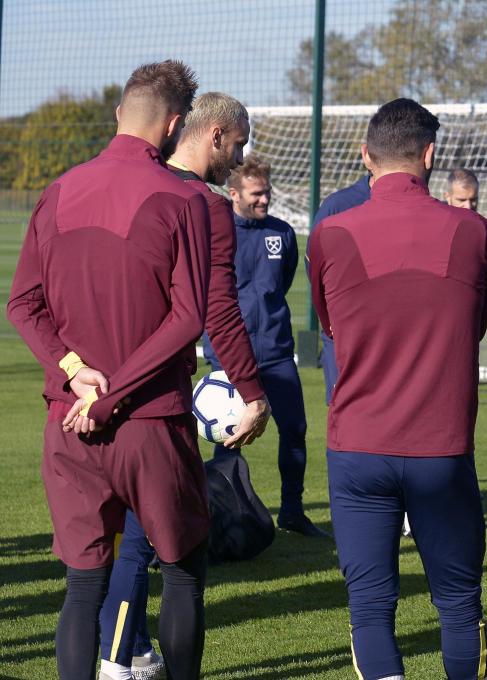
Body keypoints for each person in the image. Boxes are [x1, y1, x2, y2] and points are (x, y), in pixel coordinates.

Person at [7, 60, 212, 680]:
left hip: (69, 423)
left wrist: (75, 373)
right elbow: (187, 318)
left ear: (121, 112)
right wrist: (111, 392)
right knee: (180, 568)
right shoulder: (185, 199)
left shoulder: (58, 191)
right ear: (176, 125)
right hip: (149, 422)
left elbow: (22, 304)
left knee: (83, 585)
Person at [308, 97, 487, 680]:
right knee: (459, 604)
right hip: (439, 447)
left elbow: (331, 328)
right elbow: (475, 321)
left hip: (358, 445)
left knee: (370, 608)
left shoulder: (330, 233)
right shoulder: (473, 232)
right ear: (431, 155)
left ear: (366, 156)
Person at [96, 90, 271, 680]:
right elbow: (218, 311)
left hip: (96, 391)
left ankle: (125, 655)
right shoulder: (203, 203)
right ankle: (120, 661)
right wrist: (251, 389)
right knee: (157, 545)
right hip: (156, 400)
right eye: (239, 143)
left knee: (116, 544)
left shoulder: (124, 185)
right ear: (215, 133)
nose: (239, 157)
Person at [205, 156, 327, 537]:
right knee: (230, 436)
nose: (264, 200)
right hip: (229, 357)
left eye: (267, 193)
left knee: (294, 429)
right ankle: (223, 516)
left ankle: (292, 511)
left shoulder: (283, 233)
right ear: (234, 193)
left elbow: (282, 282)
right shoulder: (217, 232)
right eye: (256, 194)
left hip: (275, 353)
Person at [311, 171, 371, 405]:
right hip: (342, 334)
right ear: (367, 156)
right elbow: (314, 264)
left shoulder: (414, 206)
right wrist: (333, 316)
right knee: (345, 412)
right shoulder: (338, 205)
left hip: (389, 337)